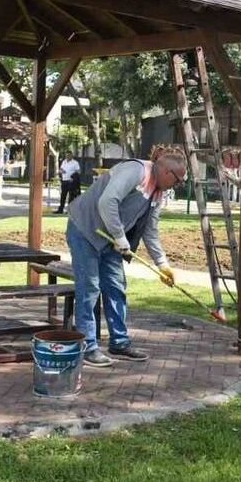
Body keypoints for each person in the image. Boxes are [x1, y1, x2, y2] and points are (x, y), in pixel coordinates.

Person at [67, 154, 184, 368]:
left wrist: (162, 264)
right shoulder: (136, 171)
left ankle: (119, 342)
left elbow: (150, 230)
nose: (177, 185)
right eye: (178, 180)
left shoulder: (158, 193)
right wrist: (121, 237)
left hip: (110, 238)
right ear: (167, 172)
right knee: (89, 288)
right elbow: (107, 202)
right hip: (85, 230)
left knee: (116, 287)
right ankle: (88, 347)